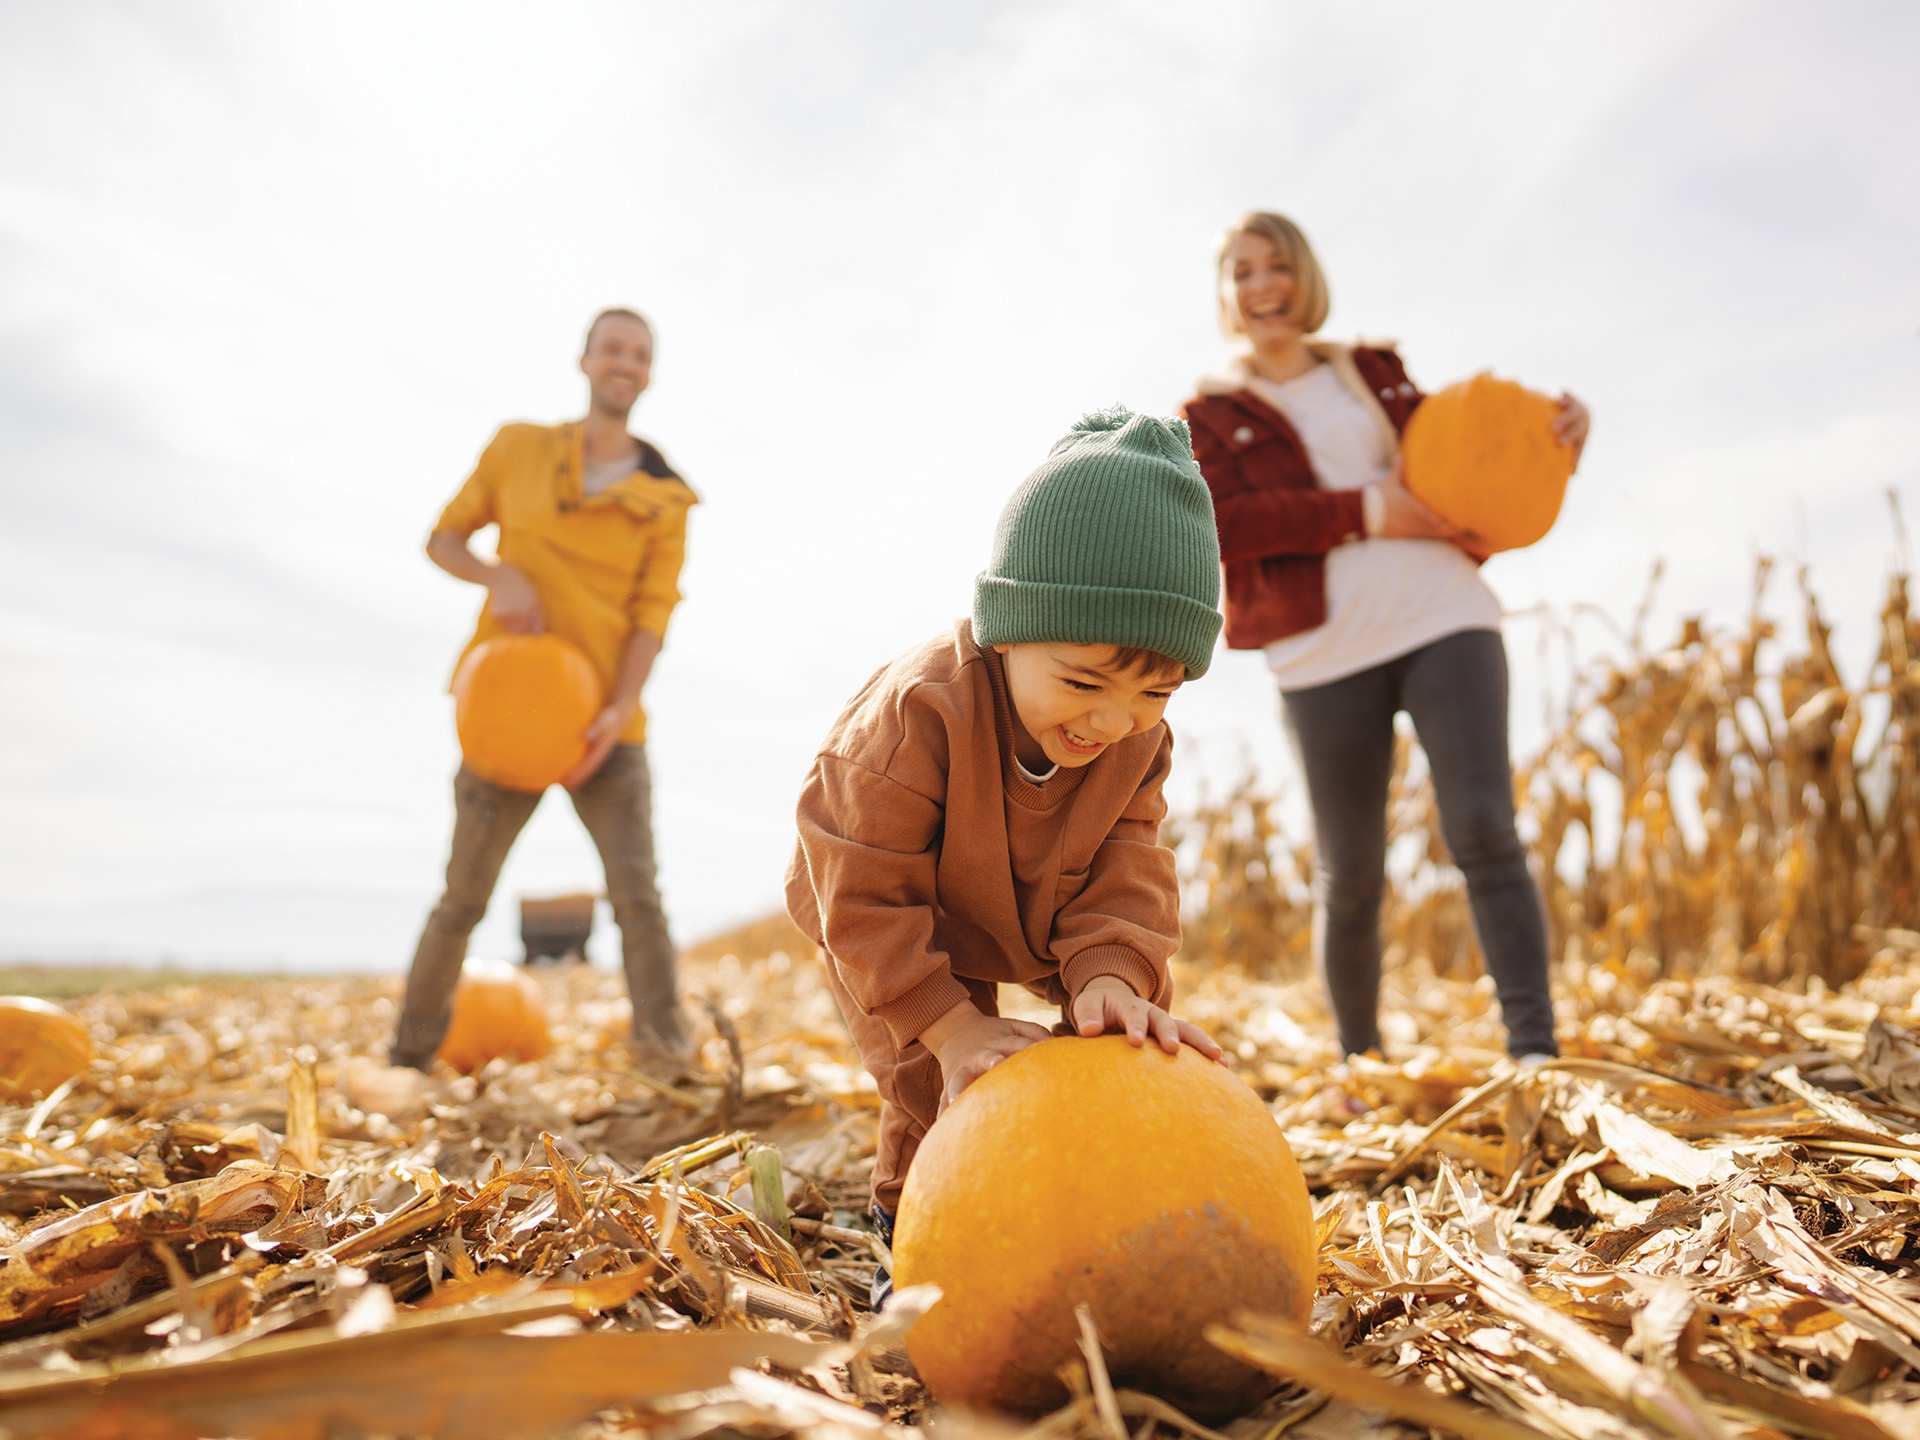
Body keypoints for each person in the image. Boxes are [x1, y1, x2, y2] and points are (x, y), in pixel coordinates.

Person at [786, 408, 1226, 1306]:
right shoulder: (915, 714)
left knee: (1125, 1033)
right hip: (892, 915)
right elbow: (861, 889)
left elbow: (1129, 864)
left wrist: (1110, 975)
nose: (1114, 721)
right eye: (1082, 682)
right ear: (1007, 628)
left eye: (1156, 690)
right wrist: (954, 1029)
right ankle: (912, 1245)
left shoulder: (1136, 741)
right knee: (933, 1080)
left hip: (1038, 895)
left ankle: (1095, 1222)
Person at [1180, 212, 1590, 1064]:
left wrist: (1552, 442)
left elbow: (1465, 462)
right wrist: (1365, 511)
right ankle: (1361, 1064)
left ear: (1306, 278)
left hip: (1445, 614)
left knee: (1483, 827)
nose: (1264, 287)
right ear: (1225, 296)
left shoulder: (1373, 368)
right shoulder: (1209, 415)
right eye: (1243, 273)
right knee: (1352, 874)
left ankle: (1535, 1055)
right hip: (1321, 653)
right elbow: (1220, 521)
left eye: (1278, 267)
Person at [358, 307, 696, 1112]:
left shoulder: (667, 498)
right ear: (585, 360)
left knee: (638, 896)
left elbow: (655, 614)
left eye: (640, 354)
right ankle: (409, 1057)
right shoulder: (517, 450)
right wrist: (495, 577)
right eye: (613, 348)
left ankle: (669, 1057)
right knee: (462, 899)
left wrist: (618, 710)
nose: (626, 362)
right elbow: (443, 539)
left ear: (649, 374)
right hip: (506, 713)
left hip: (605, 728)